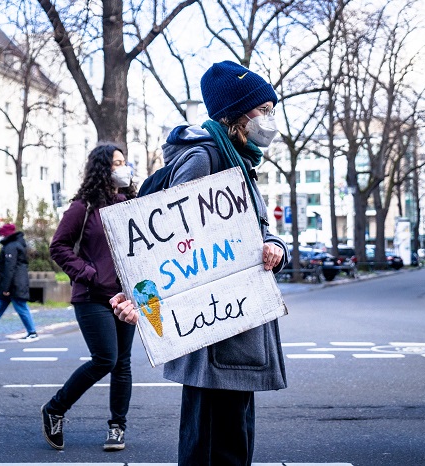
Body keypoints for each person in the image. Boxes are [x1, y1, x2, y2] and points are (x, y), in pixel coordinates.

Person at [112, 60, 288, 466]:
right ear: (236, 115)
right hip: (213, 329)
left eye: (270, 109)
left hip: (235, 321)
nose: (269, 119)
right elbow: (171, 239)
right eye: (262, 110)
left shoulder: (239, 160)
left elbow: (259, 228)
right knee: (214, 444)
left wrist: (275, 246)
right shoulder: (205, 157)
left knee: (231, 438)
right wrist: (143, 295)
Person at [40, 143, 137, 452]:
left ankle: (117, 427)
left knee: (122, 363)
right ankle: (55, 408)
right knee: (106, 359)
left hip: (125, 297)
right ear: (101, 169)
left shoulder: (131, 203)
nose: (122, 168)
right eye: (115, 164)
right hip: (92, 296)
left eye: (124, 162)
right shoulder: (83, 207)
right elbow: (58, 246)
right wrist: (90, 273)